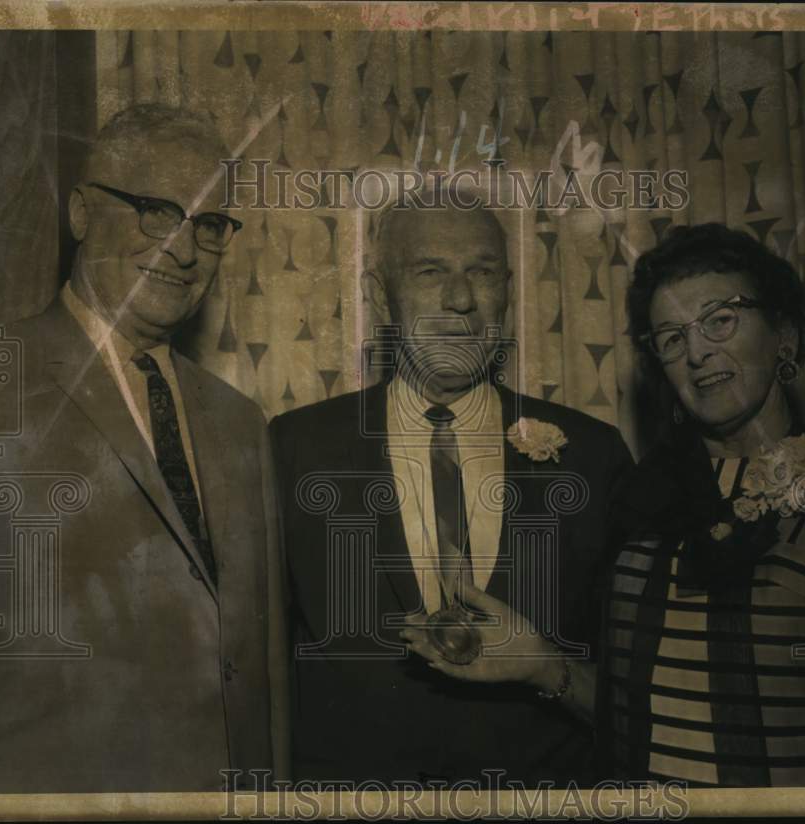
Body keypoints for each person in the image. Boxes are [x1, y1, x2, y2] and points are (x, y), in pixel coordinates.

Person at [405, 222, 805, 787]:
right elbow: (632, 726)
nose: (698, 350)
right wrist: (542, 665)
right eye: (672, 338)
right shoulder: (638, 500)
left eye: (721, 319)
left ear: (784, 333)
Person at [0, 104, 291, 793]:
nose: (182, 249)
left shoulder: (241, 423)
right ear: (83, 214)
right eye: (155, 210)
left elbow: (260, 669)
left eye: (207, 224)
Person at [270, 201, 634, 786]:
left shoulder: (593, 455)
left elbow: (643, 699)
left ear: (509, 292)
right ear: (380, 296)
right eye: (430, 272)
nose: (461, 300)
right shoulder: (294, 448)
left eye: (484, 273)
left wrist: (549, 669)